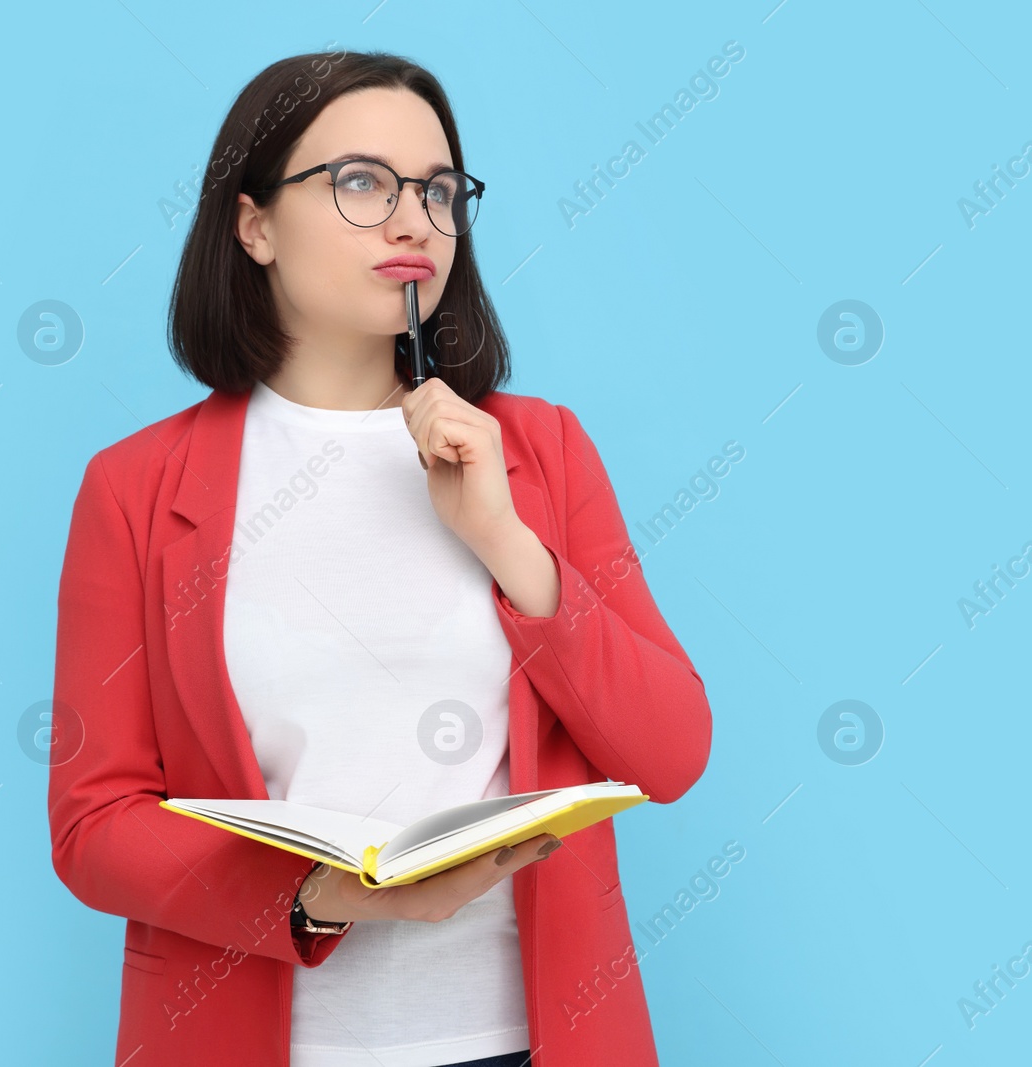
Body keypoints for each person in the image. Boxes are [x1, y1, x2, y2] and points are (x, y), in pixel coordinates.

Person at [47, 47, 712, 1067]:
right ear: (254, 222)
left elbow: (670, 752)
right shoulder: (134, 487)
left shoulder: (543, 453)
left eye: (440, 191)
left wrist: (501, 538)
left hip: (532, 1042)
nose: (414, 221)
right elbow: (93, 824)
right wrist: (326, 894)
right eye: (361, 182)